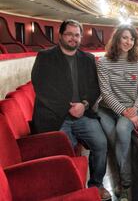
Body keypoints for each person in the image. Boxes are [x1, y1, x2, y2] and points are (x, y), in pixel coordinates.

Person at [31, 19, 110, 200]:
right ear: (60, 35)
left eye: (77, 35)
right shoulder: (45, 56)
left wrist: (84, 105)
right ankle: (70, 190)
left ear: (81, 37)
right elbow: (41, 87)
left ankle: (96, 184)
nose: (73, 38)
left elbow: (95, 88)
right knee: (63, 152)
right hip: (56, 116)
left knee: (101, 144)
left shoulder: (88, 58)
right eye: (69, 34)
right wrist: (68, 108)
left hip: (83, 113)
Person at [96, 24, 138, 201]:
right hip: (108, 110)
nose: (128, 42)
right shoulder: (103, 62)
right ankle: (122, 179)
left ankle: (125, 184)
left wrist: (134, 109)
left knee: (121, 132)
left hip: (133, 107)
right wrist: (123, 111)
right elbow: (106, 93)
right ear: (117, 39)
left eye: (132, 39)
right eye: (125, 37)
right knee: (114, 140)